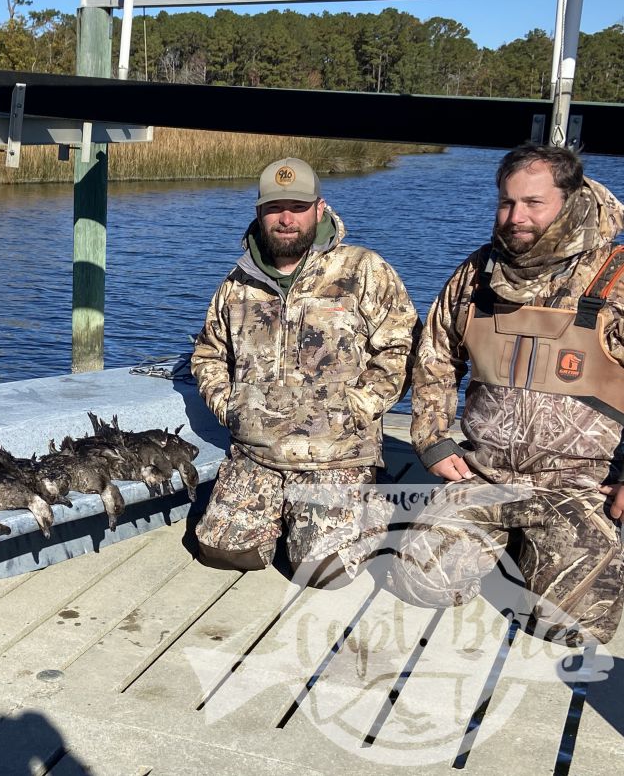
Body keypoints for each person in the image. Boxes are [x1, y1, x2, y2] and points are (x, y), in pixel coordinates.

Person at [392, 144, 624, 646]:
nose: (516, 217)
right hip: (484, 472)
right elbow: (434, 355)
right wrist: (433, 441)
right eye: (506, 202)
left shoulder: (616, 274)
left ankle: (547, 545)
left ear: (570, 199)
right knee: (418, 582)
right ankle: (507, 539)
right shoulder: (477, 274)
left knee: (578, 627)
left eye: (533, 203)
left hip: (578, 485)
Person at [191, 157, 419, 585]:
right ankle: (283, 513)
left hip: (336, 454)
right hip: (256, 452)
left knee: (322, 572)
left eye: (297, 207)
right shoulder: (238, 283)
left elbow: (400, 348)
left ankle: (370, 499)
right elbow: (209, 353)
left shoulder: (362, 270)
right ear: (259, 214)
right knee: (222, 552)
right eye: (275, 208)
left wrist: (355, 407)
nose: (286, 219)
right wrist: (230, 406)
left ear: (320, 208)